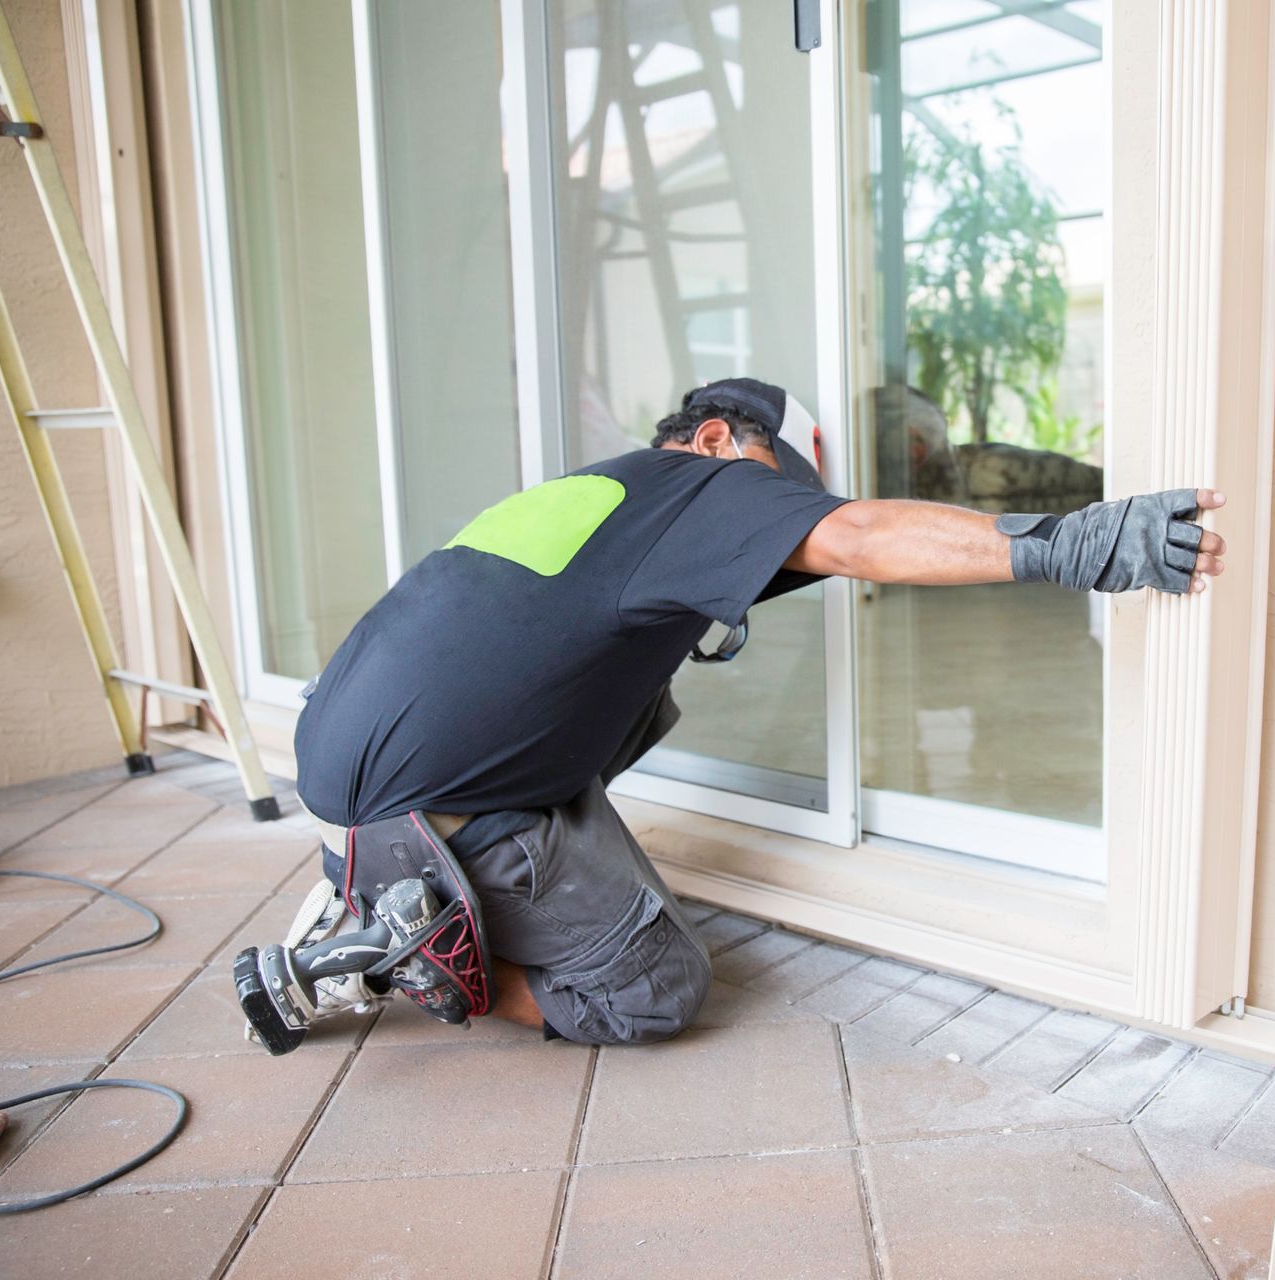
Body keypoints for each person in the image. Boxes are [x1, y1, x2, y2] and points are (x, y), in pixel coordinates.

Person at [272, 377, 1226, 1046]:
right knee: (655, 987)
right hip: (430, 809)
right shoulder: (707, 483)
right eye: (782, 489)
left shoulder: (597, 495)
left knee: (639, 700)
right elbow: (855, 535)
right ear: (722, 441)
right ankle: (409, 955)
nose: (782, 519)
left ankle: (377, 899)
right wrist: (1082, 542)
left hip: (338, 783)